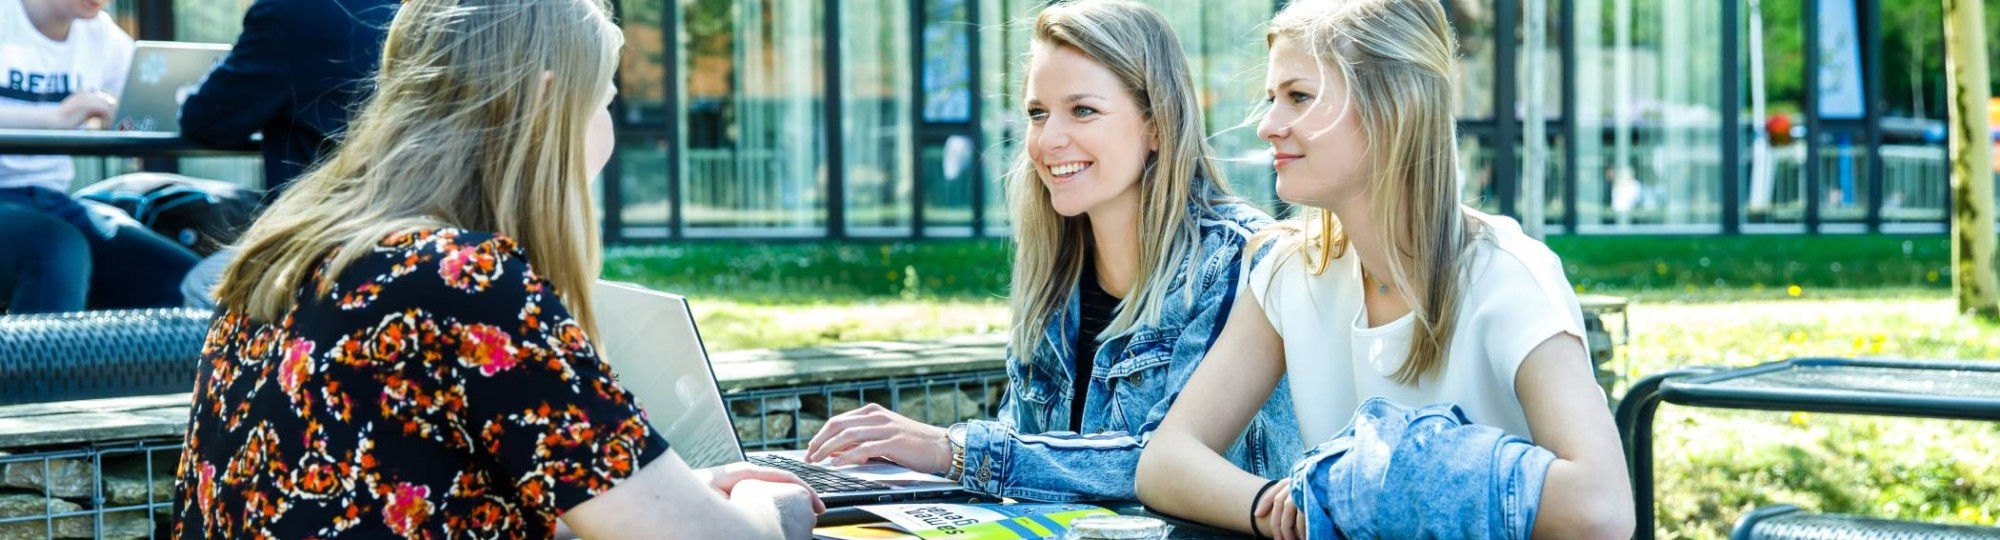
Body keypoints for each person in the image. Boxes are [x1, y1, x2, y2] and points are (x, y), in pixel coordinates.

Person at [170, 0, 821, 537]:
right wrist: (773, 510)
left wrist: (668, 492)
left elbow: (420, 500)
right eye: (605, 103)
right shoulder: (469, 282)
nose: (607, 131)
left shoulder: (288, 255)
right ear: (547, 105)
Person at [1135, 0, 1634, 538]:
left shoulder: (1508, 278)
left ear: (1392, 107)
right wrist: (1294, 510)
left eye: (1299, 97)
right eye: (1272, 98)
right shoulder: (1288, 272)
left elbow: (1602, 508)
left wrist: (1385, 480)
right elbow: (1165, 461)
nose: (1269, 127)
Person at [802, 0, 1301, 502]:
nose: (1049, 140)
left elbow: (1157, 466)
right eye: (1038, 113)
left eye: (1083, 110)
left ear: (1156, 124)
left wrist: (949, 450)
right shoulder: (1054, 265)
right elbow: (1027, 439)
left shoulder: (1240, 259)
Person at [179, 0, 398, 202]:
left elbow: (205, 121)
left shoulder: (286, 11)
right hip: (402, 212)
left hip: (315, 222)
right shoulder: (409, 9)